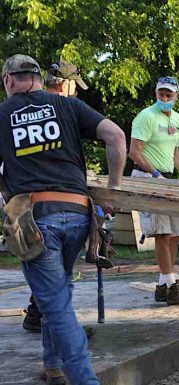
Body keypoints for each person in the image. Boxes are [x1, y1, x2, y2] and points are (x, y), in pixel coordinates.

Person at [0, 54, 126, 385]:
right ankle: (52, 365)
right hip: (78, 217)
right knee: (58, 293)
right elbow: (116, 135)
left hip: (36, 220)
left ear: (9, 80)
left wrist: (6, 200)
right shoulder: (68, 105)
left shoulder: (2, 114)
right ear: (38, 79)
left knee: (56, 305)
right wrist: (114, 189)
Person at [21, 60, 90, 334]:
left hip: (31, 205)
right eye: (75, 87)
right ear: (66, 84)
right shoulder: (65, 110)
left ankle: (39, 314)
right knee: (58, 274)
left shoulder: (26, 107)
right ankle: (57, 328)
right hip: (53, 204)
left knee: (52, 271)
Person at [129, 76, 179, 306]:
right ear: (156, 94)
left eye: (169, 95)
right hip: (147, 177)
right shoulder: (146, 116)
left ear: (177, 96)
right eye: (161, 94)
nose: (165, 98)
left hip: (167, 179)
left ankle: (163, 284)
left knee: (176, 231)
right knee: (162, 233)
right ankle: (172, 287)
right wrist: (155, 173)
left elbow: (175, 154)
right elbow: (134, 152)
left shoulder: (177, 119)